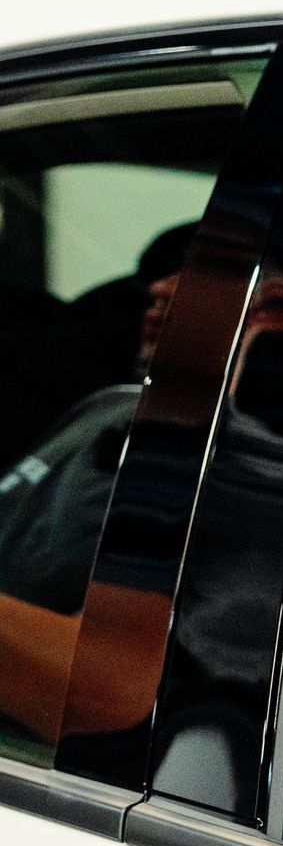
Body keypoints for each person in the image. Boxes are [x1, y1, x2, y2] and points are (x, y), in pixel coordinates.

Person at [0, 223, 196, 748]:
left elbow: (92, 691)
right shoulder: (109, 404)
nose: (160, 289)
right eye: (168, 272)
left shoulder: (253, 484)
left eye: (216, 275)